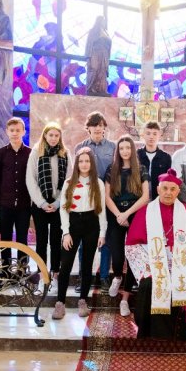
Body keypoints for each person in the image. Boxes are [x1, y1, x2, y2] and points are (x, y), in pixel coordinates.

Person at [125, 169, 186, 340]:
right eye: (165, 188)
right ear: (158, 189)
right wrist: (149, 266)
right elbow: (133, 246)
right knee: (150, 283)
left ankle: (181, 331)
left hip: (182, 263)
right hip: (154, 263)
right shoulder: (145, 211)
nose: (168, 193)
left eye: (173, 189)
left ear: (178, 191)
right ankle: (150, 331)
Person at [52, 147, 107, 320]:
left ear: (92, 163)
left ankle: (83, 300)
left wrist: (102, 232)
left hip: (92, 224)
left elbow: (101, 209)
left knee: (87, 265)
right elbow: (63, 209)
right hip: (73, 224)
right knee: (66, 264)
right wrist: (66, 232)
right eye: (81, 161)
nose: (84, 164)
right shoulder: (69, 182)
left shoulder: (98, 183)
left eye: (87, 161)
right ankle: (60, 303)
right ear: (76, 163)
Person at [105, 135, 149, 317]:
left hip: (135, 215)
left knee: (133, 256)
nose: (125, 151)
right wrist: (119, 215)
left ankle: (125, 299)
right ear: (118, 151)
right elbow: (107, 197)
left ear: (132, 150)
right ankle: (117, 276)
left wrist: (127, 213)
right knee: (117, 255)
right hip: (116, 215)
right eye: (121, 148)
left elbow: (145, 197)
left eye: (128, 148)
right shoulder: (111, 169)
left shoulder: (141, 169)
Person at [74, 112, 115, 292]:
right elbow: (76, 173)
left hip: (107, 197)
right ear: (88, 127)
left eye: (101, 125)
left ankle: (104, 276)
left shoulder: (113, 147)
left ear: (104, 128)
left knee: (105, 239)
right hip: (86, 199)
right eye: (94, 125)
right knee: (84, 240)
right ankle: (83, 276)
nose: (98, 128)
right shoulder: (80, 147)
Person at [26, 122, 69, 285]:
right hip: (40, 204)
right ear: (45, 135)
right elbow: (30, 179)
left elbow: (69, 181)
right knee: (42, 240)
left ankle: (56, 272)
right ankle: (42, 272)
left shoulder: (65, 153)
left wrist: (58, 202)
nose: (53, 138)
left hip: (59, 204)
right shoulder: (36, 152)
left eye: (56, 135)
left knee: (56, 240)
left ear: (60, 137)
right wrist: (42, 203)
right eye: (50, 135)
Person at [0, 117, 31, 272]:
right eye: (12, 130)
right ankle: (6, 270)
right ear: (7, 132)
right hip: (5, 205)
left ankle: (22, 270)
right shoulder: (0, 154)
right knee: (5, 239)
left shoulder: (30, 153)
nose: (15, 133)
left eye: (18, 130)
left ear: (23, 132)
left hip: (24, 205)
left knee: (22, 239)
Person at [137, 121, 171, 200]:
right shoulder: (136, 155)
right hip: (139, 198)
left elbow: (168, 180)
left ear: (159, 135)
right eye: (148, 133)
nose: (151, 137)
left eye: (155, 134)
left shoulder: (166, 157)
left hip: (158, 198)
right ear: (143, 135)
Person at [85, 15, 111, 96]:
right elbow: (89, 44)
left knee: (103, 70)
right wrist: (88, 56)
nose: (104, 22)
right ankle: (91, 89)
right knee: (94, 69)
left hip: (104, 54)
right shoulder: (93, 31)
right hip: (95, 53)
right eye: (103, 20)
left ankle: (101, 89)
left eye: (104, 21)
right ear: (99, 21)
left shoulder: (106, 32)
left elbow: (109, 44)